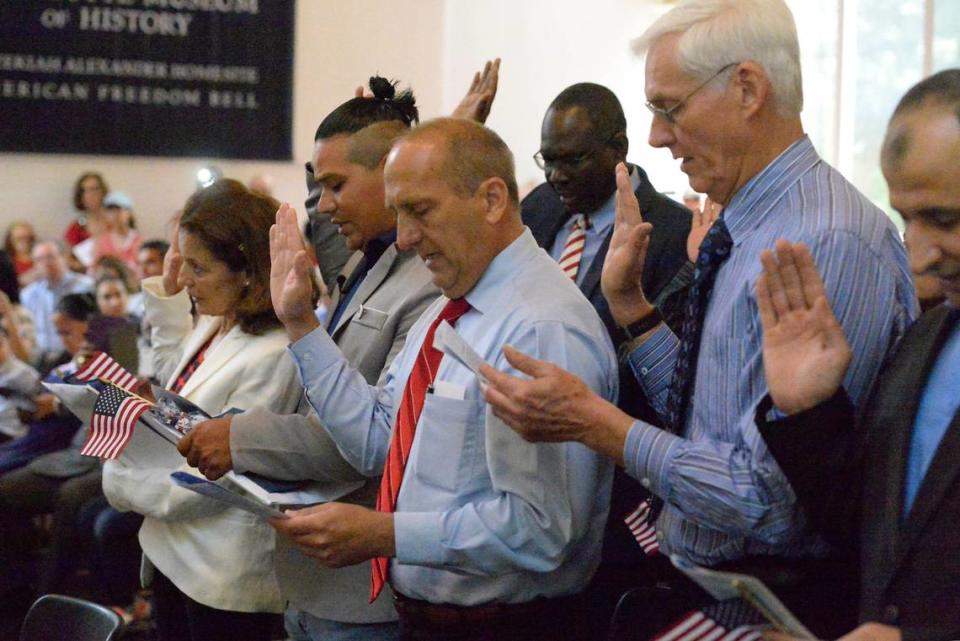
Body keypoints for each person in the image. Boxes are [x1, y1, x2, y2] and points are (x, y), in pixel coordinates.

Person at [480, 0, 916, 634]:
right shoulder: (753, 217)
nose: (656, 137)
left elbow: (770, 506)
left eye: (669, 108)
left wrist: (600, 426)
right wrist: (634, 314)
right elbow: (711, 420)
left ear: (746, 89)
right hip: (695, 594)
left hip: (763, 613)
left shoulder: (825, 241)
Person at [269, 117, 617, 641]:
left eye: (421, 211)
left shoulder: (540, 328)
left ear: (493, 200)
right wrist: (300, 324)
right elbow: (378, 442)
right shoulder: (449, 308)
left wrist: (387, 534)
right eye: (398, 214)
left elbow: (544, 530)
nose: (405, 240)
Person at [179, 78, 439, 641]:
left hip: (362, 587)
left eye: (336, 185)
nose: (323, 205)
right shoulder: (368, 265)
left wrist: (238, 437)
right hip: (312, 575)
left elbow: (369, 440)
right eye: (318, 187)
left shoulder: (426, 285)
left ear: (393, 174)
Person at [754, 68, 960, 641]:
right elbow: (871, 537)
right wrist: (810, 410)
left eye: (944, 220)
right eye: (906, 219)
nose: (917, 257)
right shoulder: (926, 341)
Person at [522, 81, 691, 632]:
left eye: (572, 160)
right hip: (529, 474)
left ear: (619, 148)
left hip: (616, 491)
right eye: (548, 160)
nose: (556, 176)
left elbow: (663, 375)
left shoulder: (669, 232)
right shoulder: (538, 210)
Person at [101, 180, 302, 641]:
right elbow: (175, 391)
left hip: (220, 573)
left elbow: (216, 477)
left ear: (247, 271)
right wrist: (170, 303)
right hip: (177, 554)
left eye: (199, 267)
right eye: (184, 262)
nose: (185, 278)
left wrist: (119, 480)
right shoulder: (218, 322)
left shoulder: (273, 353)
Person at [20, 241, 93, 369]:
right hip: (42, 359)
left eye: (50, 257)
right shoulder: (28, 295)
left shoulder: (85, 286)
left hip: (78, 355)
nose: (45, 263)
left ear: (63, 257)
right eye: (39, 260)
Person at [65, 172, 109, 248]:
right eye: (84, 191)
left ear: (103, 192)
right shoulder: (77, 228)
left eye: (94, 189)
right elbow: (68, 257)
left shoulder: (116, 223)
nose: (90, 195)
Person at [4, 221, 38, 287]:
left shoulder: (42, 257)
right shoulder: (5, 261)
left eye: (27, 238)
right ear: (10, 240)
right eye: (19, 238)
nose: (23, 242)